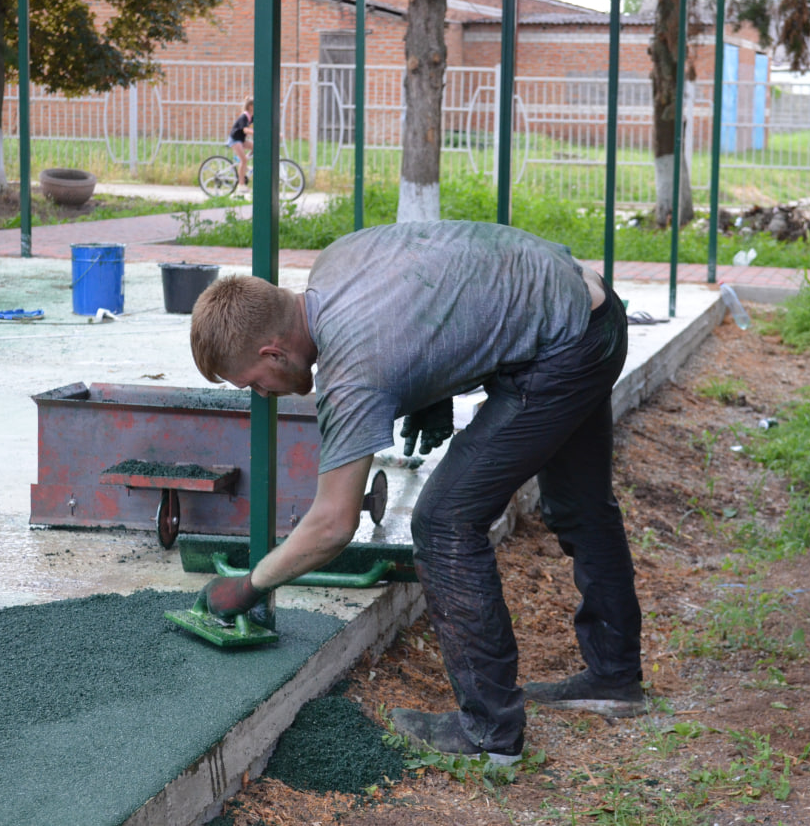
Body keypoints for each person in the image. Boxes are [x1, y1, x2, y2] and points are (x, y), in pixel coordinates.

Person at [190, 220, 645, 764]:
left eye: (253, 382)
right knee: (581, 503)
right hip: (588, 306)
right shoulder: (336, 258)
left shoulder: (352, 370)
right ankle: (615, 678)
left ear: (273, 353)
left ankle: (489, 734)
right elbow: (438, 268)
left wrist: (251, 584)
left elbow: (334, 524)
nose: (261, 394)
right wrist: (432, 383)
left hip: (560, 353)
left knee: (445, 522)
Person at [228, 97, 253, 193]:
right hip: (235, 140)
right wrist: (256, 132)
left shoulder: (252, 116)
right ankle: (241, 185)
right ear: (251, 106)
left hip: (241, 140)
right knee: (244, 160)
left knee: (256, 147)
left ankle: (243, 162)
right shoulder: (244, 116)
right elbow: (245, 130)